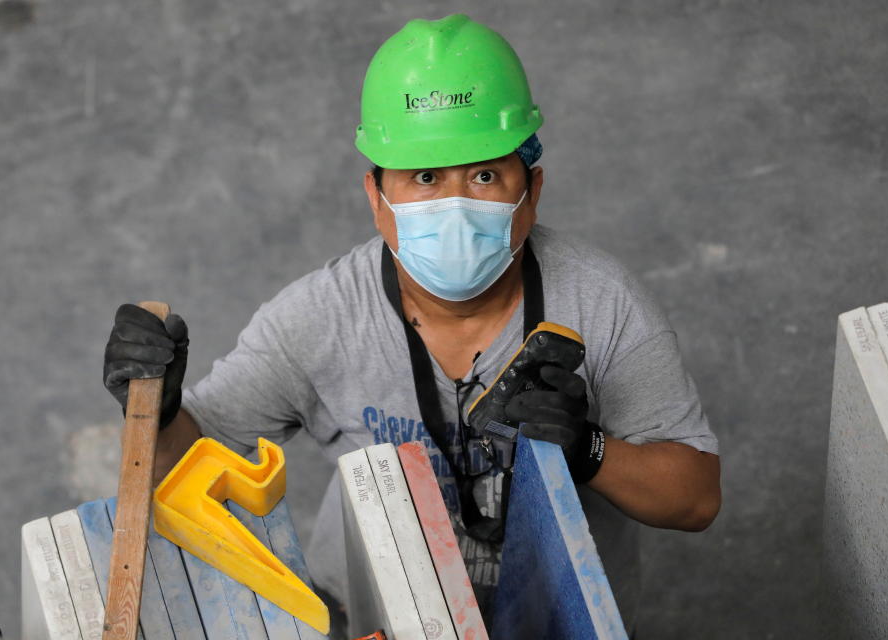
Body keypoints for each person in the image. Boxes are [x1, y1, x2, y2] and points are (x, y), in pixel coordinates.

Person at [102, 14, 720, 635]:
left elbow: (695, 499)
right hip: (368, 622)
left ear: (531, 189)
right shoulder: (320, 317)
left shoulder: (600, 300)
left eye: (484, 174)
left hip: (553, 624)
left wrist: (588, 450)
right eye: (424, 177)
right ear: (376, 196)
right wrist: (157, 409)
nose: (454, 206)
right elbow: (173, 474)